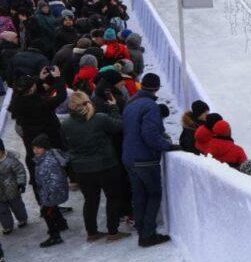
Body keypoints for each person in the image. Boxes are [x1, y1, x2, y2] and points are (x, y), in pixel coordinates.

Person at [61, 92, 130, 243]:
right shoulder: (100, 119)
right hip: (106, 166)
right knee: (112, 198)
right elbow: (119, 126)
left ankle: (91, 233)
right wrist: (114, 108)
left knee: (90, 200)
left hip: (81, 169)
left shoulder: (66, 124)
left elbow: (65, 144)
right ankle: (113, 232)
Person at [121, 73, 175, 247]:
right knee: (153, 194)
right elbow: (150, 134)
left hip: (129, 157)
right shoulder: (150, 106)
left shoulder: (131, 103)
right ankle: (148, 235)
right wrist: (167, 145)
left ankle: (142, 229)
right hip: (144, 158)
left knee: (139, 195)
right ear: (157, 88)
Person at [32, 134, 69, 248]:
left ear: (45, 148)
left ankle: (55, 236)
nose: (35, 150)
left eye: (38, 147)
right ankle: (62, 224)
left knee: (47, 212)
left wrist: (48, 195)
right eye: (34, 148)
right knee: (51, 209)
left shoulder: (48, 162)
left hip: (51, 193)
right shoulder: (43, 158)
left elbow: (56, 180)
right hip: (49, 192)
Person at [0, 139, 28, 234]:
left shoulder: (11, 160)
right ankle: (7, 226)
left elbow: (20, 172)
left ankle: (22, 219)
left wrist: (21, 184)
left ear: (2, 151)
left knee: (17, 207)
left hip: (12, 190)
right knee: (2, 211)